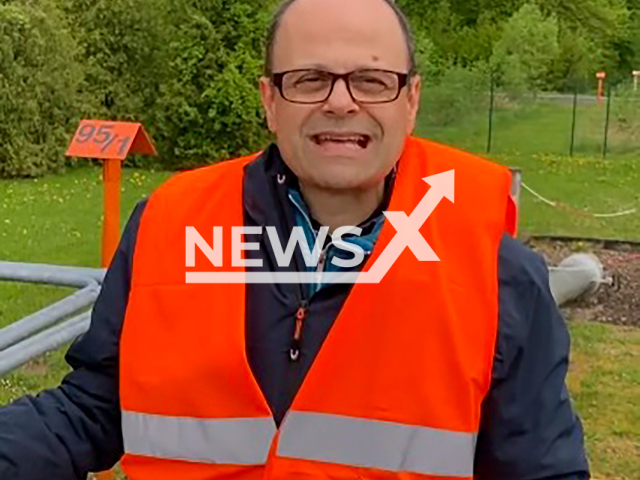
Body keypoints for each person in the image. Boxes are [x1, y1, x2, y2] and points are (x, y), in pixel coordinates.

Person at [0, 0, 590, 478]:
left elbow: (540, 467)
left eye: (371, 80)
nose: (340, 102)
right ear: (270, 102)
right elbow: (94, 409)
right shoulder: (170, 226)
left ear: (411, 101)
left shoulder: (493, 269)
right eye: (309, 79)